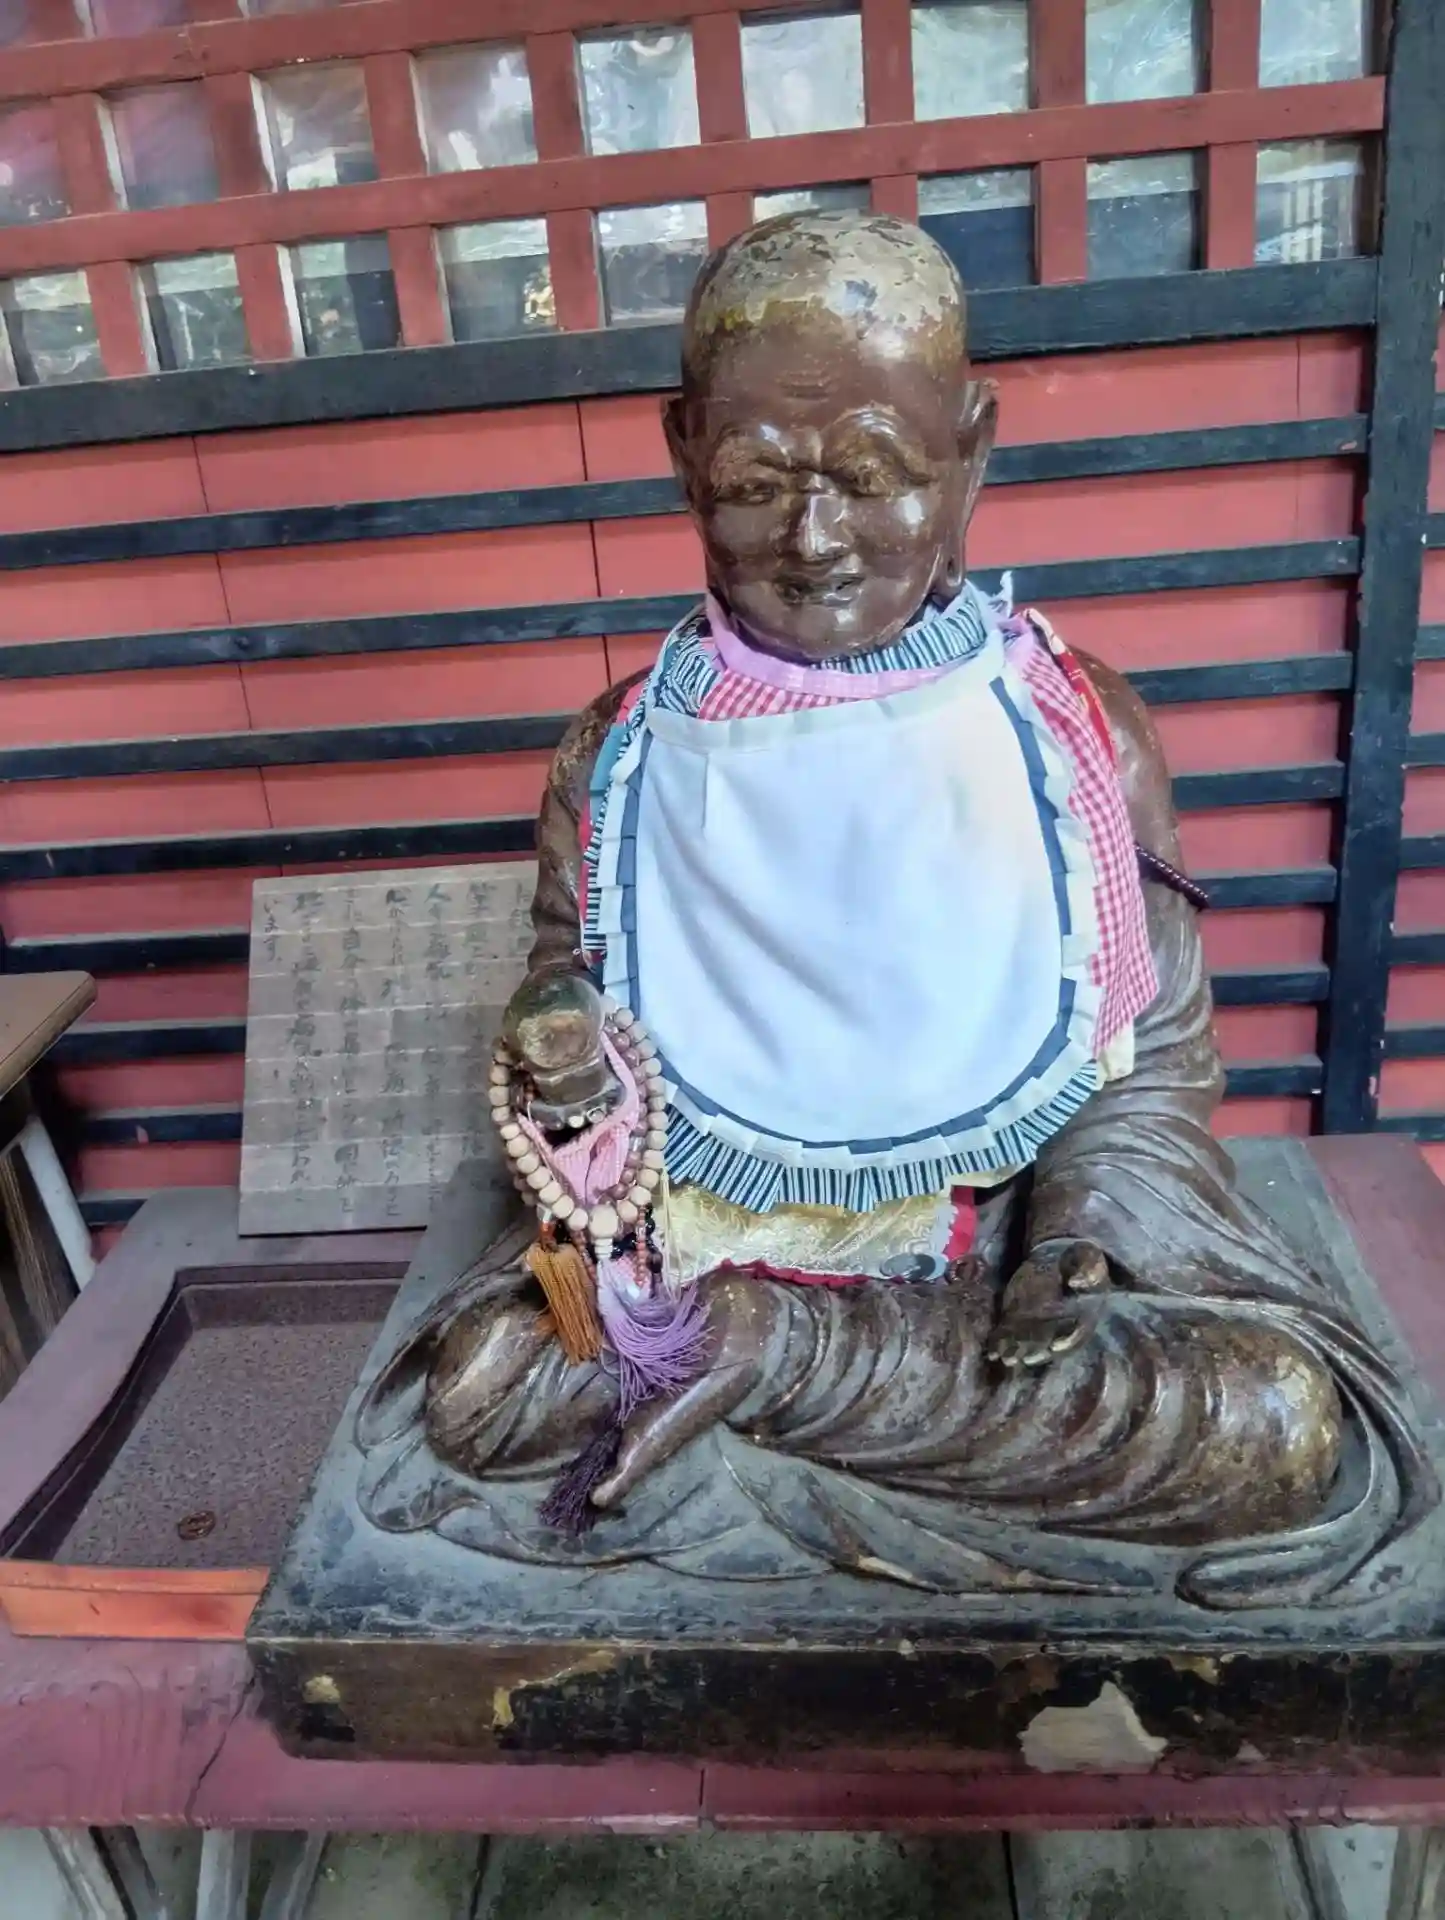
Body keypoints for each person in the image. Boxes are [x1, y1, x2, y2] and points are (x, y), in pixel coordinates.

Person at [356, 213, 1431, 1608]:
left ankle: (767, 1367)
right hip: (706, 1237)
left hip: (993, 1259)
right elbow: (577, 1071)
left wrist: (1077, 1238)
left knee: (1271, 1418)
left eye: (873, 475)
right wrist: (562, 1058)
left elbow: (1148, 1063)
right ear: (683, 455)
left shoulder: (1067, 733)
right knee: (483, 1385)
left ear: (971, 454)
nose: (814, 538)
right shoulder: (622, 759)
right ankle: (743, 1351)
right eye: (755, 481)